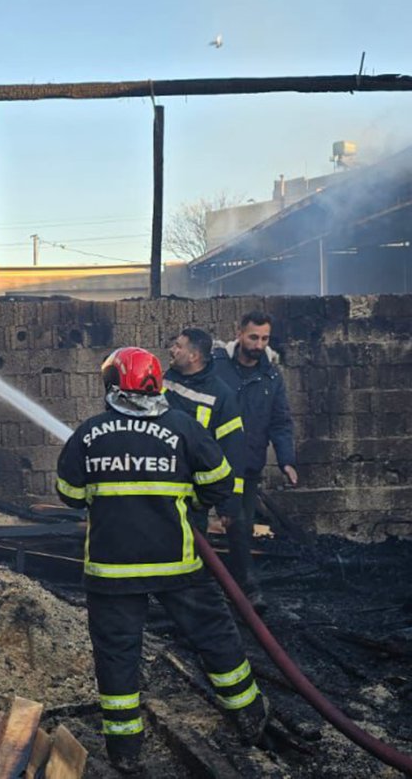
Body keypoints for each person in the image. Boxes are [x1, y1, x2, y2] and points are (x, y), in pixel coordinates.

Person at [57, 346, 269, 774]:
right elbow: (221, 483)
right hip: (177, 565)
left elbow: (71, 495)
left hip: (111, 572)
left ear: (114, 384)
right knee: (213, 635)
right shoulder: (183, 428)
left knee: (117, 656)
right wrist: (188, 499)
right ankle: (249, 715)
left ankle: (125, 750)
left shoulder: (88, 433)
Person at [212, 311, 298, 612]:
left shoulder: (271, 376)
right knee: (191, 524)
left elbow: (280, 420)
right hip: (208, 462)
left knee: (241, 526)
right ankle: (191, 587)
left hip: (246, 465)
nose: (259, 344)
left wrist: (287, 459)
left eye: (264, 338)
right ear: (239, 333)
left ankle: (245, 588)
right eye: (253, 337)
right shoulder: (217, 366)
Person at [162, 328, 253, 603]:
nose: (171, 349)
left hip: (193, 496)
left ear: (194, 355)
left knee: (191, 554)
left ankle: (194, 602)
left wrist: (229, 504)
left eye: (178, 346)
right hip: (159, 484)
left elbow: (233, 451)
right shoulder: (161, 381)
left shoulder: (221, 396)